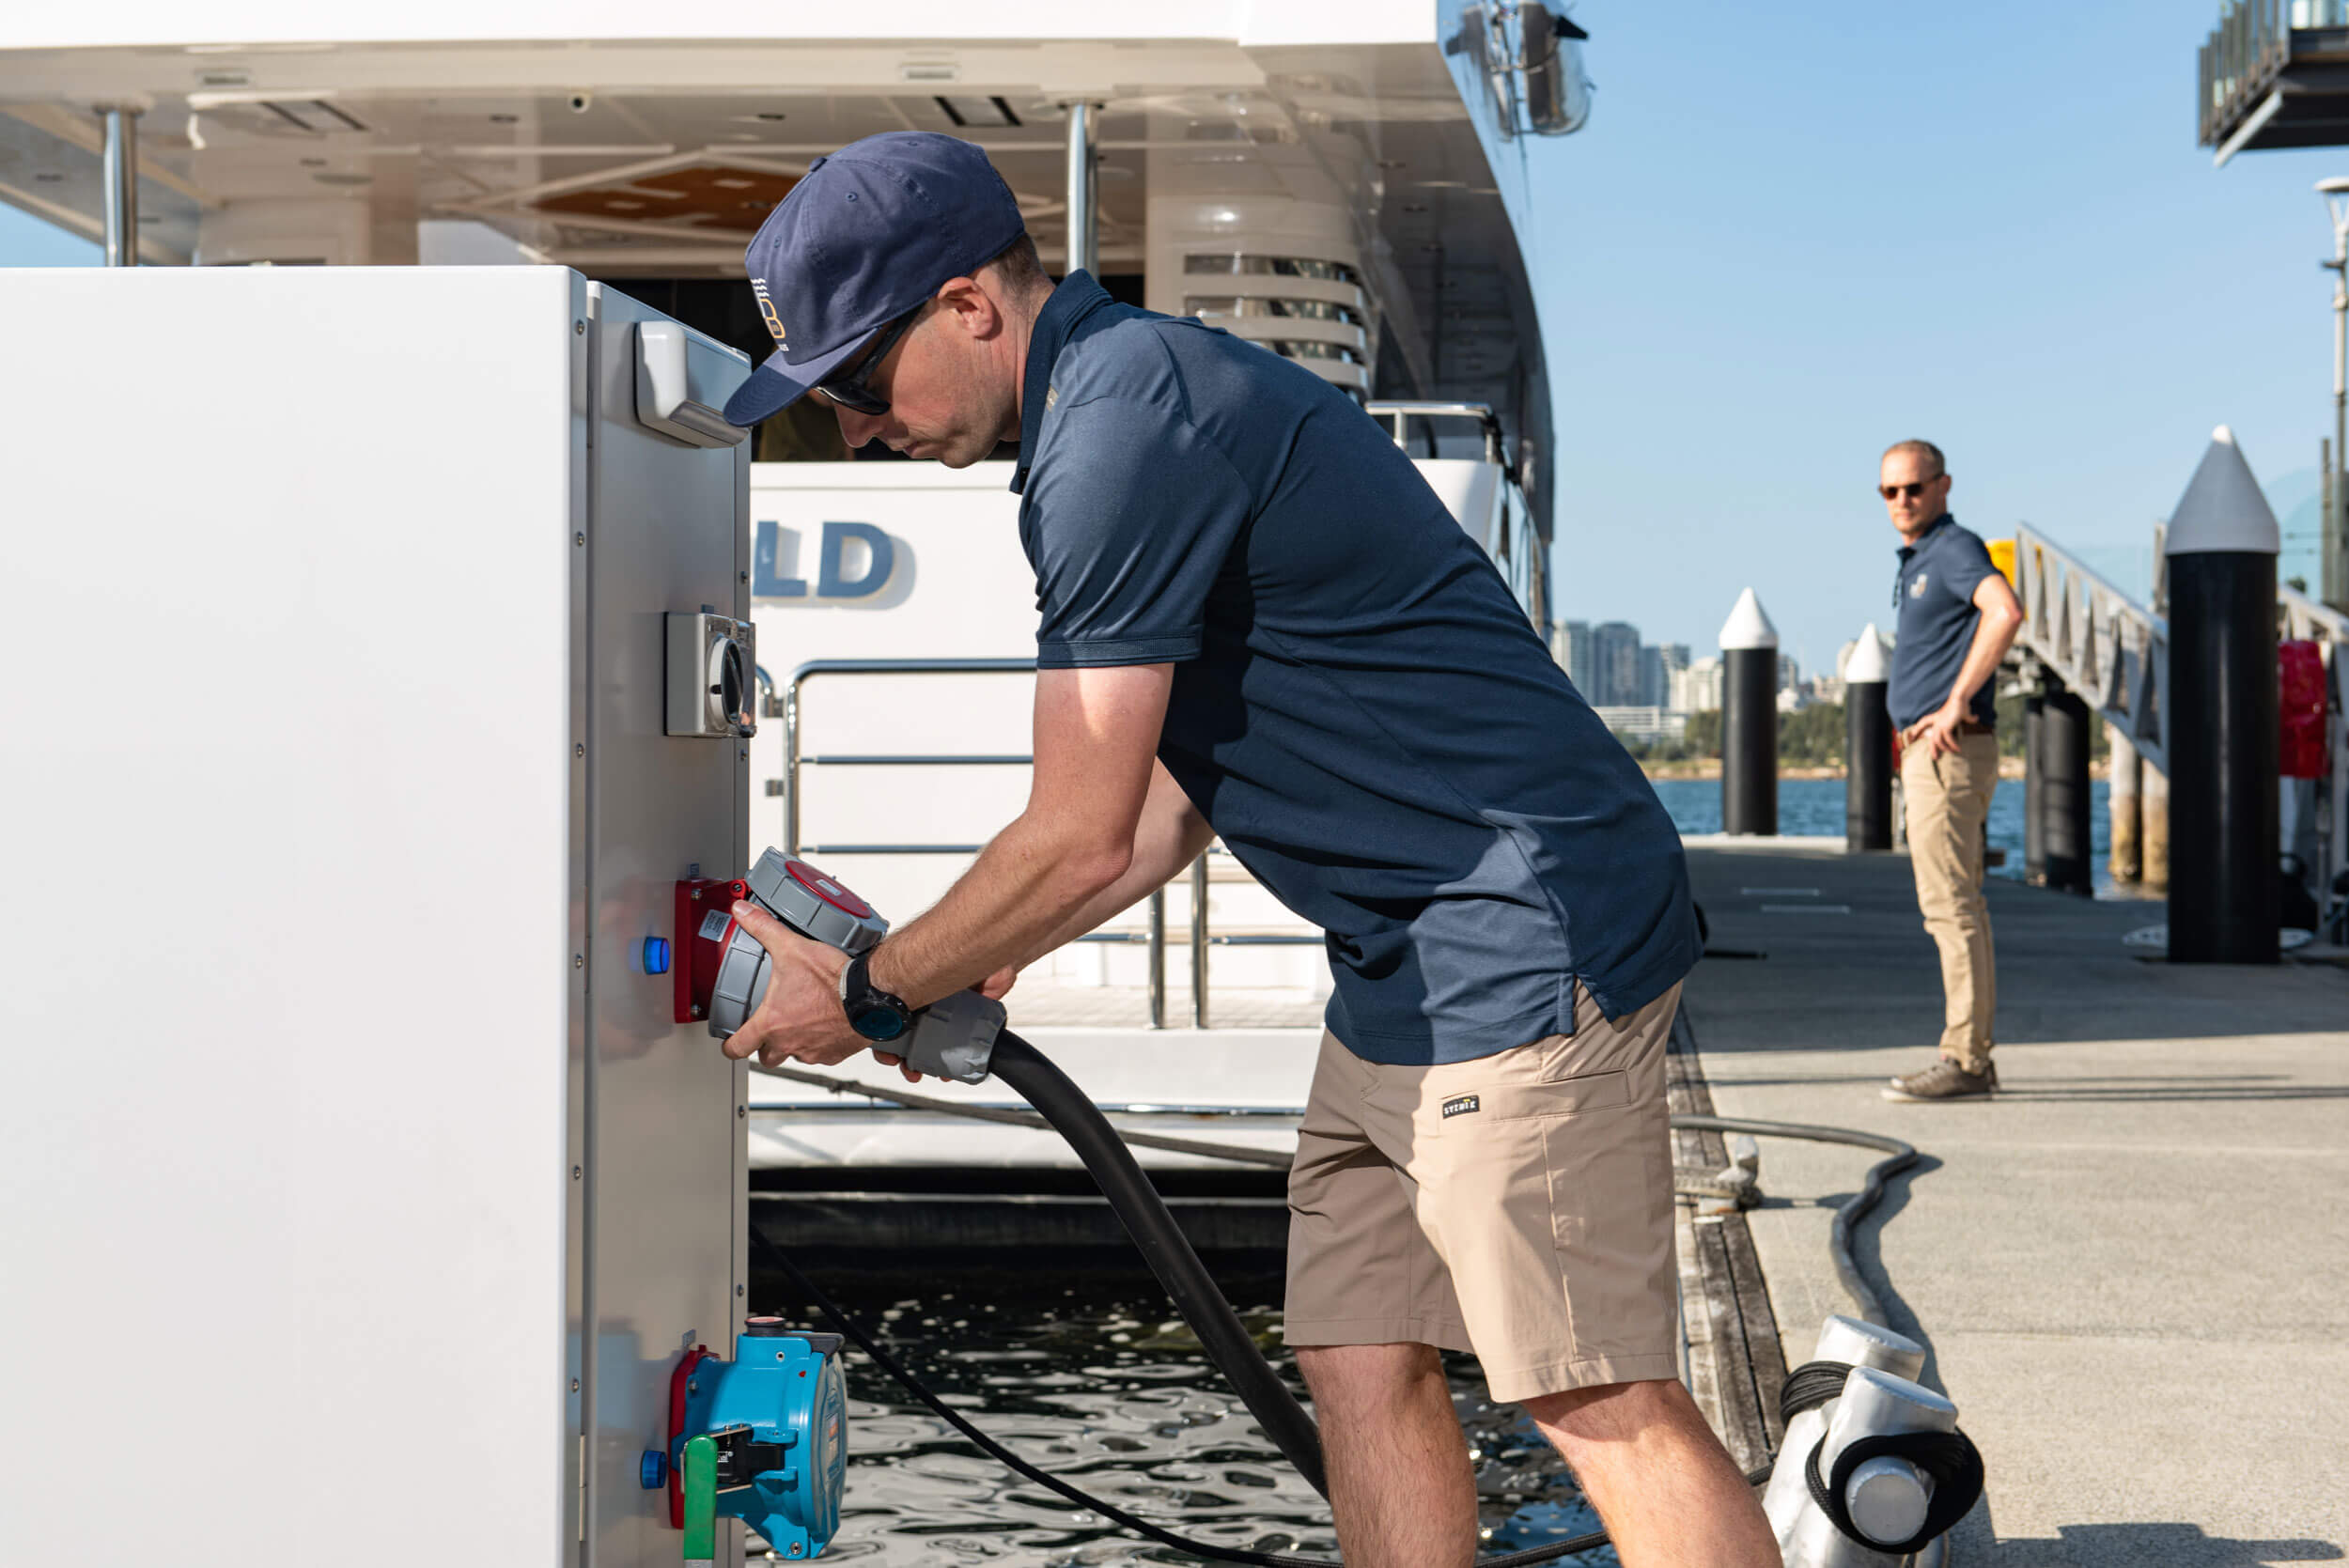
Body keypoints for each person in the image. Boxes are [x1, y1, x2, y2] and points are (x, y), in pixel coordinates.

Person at [714, 132, 1780, 1568]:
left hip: (1521, 935)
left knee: (1594, 1389)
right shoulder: (1122, 398)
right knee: (1355, 1356)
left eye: (854, 381)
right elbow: (1164, 799)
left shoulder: (1113, 433)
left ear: (969, 305)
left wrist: (867, 992)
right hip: (1405, 959)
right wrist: (977, 961)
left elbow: (1079, 832)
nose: (849, 428)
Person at [1878, 440, 2025, 1102]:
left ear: (1943, 485)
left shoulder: (1955, 549)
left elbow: (2006, 609)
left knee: (1950, 908)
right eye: (1890, 491)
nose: (1902, 501)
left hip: (1947, 751)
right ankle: (1972, 1053)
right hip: (1934, 751)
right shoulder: (1921, 559)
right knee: (1962, 905)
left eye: (1913, 487)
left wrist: (1956, 701)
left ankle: (1964, 1057)